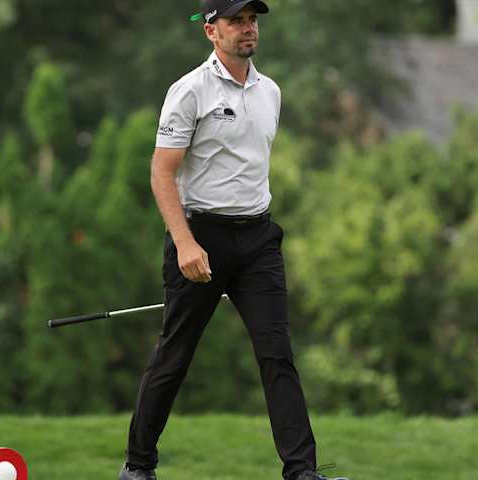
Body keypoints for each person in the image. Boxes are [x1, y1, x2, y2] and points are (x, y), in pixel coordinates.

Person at [118, 2, 349, 480]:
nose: (248, 29)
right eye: (236, 21)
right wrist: (184, 244)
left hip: (259, 240)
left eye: (253, 20)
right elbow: (162, 173)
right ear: (211, 31)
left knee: (277, 354)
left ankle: (301, 472)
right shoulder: (189, 92)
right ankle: (138, 467)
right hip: (199, 236)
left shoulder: (271, 92)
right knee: (174, 356)